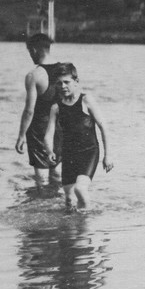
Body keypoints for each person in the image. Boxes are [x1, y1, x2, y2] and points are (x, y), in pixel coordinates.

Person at [44, 63, 113, 212]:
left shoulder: (86, 100)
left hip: (89, 152)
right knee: (69, 200)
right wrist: (50, 151)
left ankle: (85, 226)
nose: (63, 86)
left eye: (66, 82)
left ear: (76, 81)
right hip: (68, 154)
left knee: (80, 189)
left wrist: (107, 156)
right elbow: (49, 133)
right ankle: (72, 229)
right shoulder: (56, 108)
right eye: (59, 83)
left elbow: (103, 127)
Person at [15, 33, 64, 190]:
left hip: (40, 130)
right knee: (57, 174)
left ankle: (41, 210)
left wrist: (21, 136)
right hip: (61, 126)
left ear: (35, 50)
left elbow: (29, 111)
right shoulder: (66, 70)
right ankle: (59, 206)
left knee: (41, 180)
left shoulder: (34, 75)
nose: (30, 56)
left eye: (30, 52)